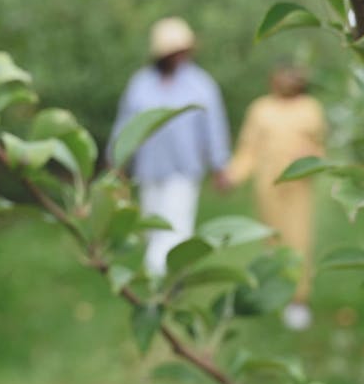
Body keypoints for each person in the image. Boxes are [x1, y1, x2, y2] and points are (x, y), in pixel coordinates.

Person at [108, 17, 230, 275]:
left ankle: (162, 281)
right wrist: (116, 161)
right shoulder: (141, 84)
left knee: (176, 226)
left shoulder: (200, 84)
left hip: (183, 169)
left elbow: (214, 126)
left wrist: (220, 165)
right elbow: (125, 124)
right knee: (154, 226)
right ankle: (165, 278)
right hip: (149, 169)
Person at [226, 63, 326, 331]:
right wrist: (233, 175)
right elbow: (248, 150)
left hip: (298, 187)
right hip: (268, 187)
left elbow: (319, 147)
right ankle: (275, 294)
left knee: (299, 241)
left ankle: (299, 300)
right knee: (273, 242)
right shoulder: (260, 109)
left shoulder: (310, 108)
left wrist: (312, 158)